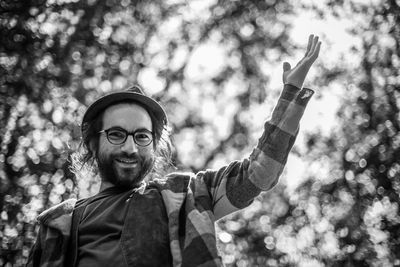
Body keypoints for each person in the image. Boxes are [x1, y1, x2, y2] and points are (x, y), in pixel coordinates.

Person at [26, 34, 321, 267]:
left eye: (142, 137)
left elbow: (259, 173)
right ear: (92, 142)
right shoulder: (57, 223)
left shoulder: (184, 197)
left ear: (156, 146)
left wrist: (290, 94)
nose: (130, 147)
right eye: (116, 134)